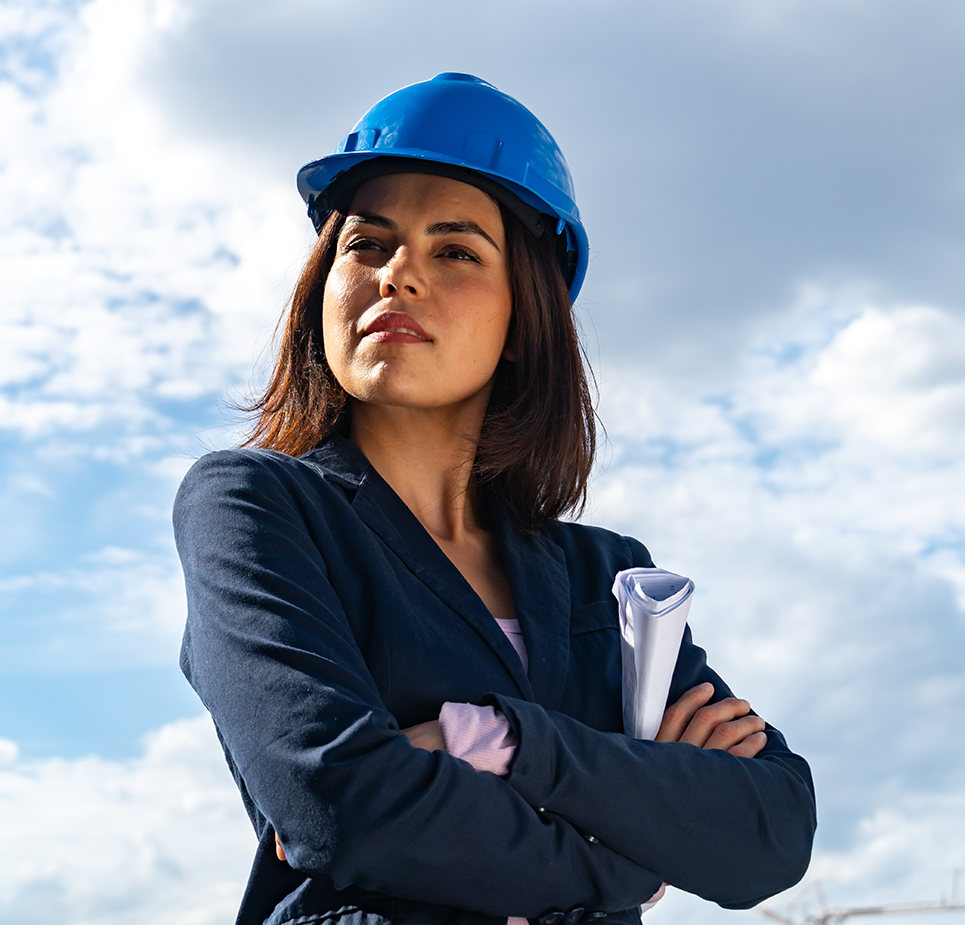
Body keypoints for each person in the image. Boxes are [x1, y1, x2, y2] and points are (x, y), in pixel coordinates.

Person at [174, 73, 816, 925]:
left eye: (456, 251)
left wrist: (498, 739)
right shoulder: (256, 506)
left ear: (525, 319)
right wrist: (625, 854)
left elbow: (767, 831)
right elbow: (339, 797)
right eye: (366, 244)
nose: (396, 276)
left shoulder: (608, 580)